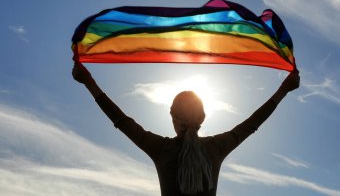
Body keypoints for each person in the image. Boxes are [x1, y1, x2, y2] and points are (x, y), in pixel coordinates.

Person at [72, 62, 300, 196]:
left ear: (172, 117)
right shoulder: (217, 147)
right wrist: (284, 89)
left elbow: (121, 120)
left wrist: (89, 82)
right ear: (203, 118)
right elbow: (252, 123)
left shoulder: (161, 149)